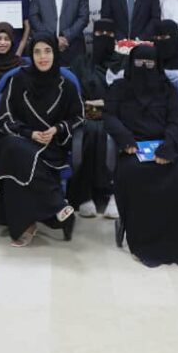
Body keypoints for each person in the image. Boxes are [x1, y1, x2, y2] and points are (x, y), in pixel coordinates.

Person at [105, 44, 178, 266]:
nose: (144, 68)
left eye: (150, 63)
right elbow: (109, 116)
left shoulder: (168, 89)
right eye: (139, 63)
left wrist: (169, 146)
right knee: (133, 173)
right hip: (135, 146)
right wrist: (125, 139)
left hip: (171, 143)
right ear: (131, 64)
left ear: (158, 66)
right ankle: (143, 239)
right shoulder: (119, 88)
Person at [0, 33, 84, 246]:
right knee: (13, 148)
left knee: (15, 158)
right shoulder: (17, 80)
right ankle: (57, 204)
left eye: (48, 51)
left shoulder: (67, 85)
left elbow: (79, 118)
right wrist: (29, 133)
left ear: (55, 53)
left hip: (50, 146)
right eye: (37, 52)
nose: (43, 57)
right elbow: (3, 117)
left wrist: (57, 129)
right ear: (30, 55)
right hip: (21, 138)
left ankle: (26, 224)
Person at [69, 18, 119, 220]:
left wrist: (106, 105)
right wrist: (91, 106)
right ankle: (85, 194)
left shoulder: (122, 62)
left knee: (118, 132)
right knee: (90, 132)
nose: (104, 38)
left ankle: (115, 194)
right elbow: (73, 95)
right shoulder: (81, 62)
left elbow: (127, 94)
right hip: (86, 115)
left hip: (116, 115)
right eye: (99, 34)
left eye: (109, 35)